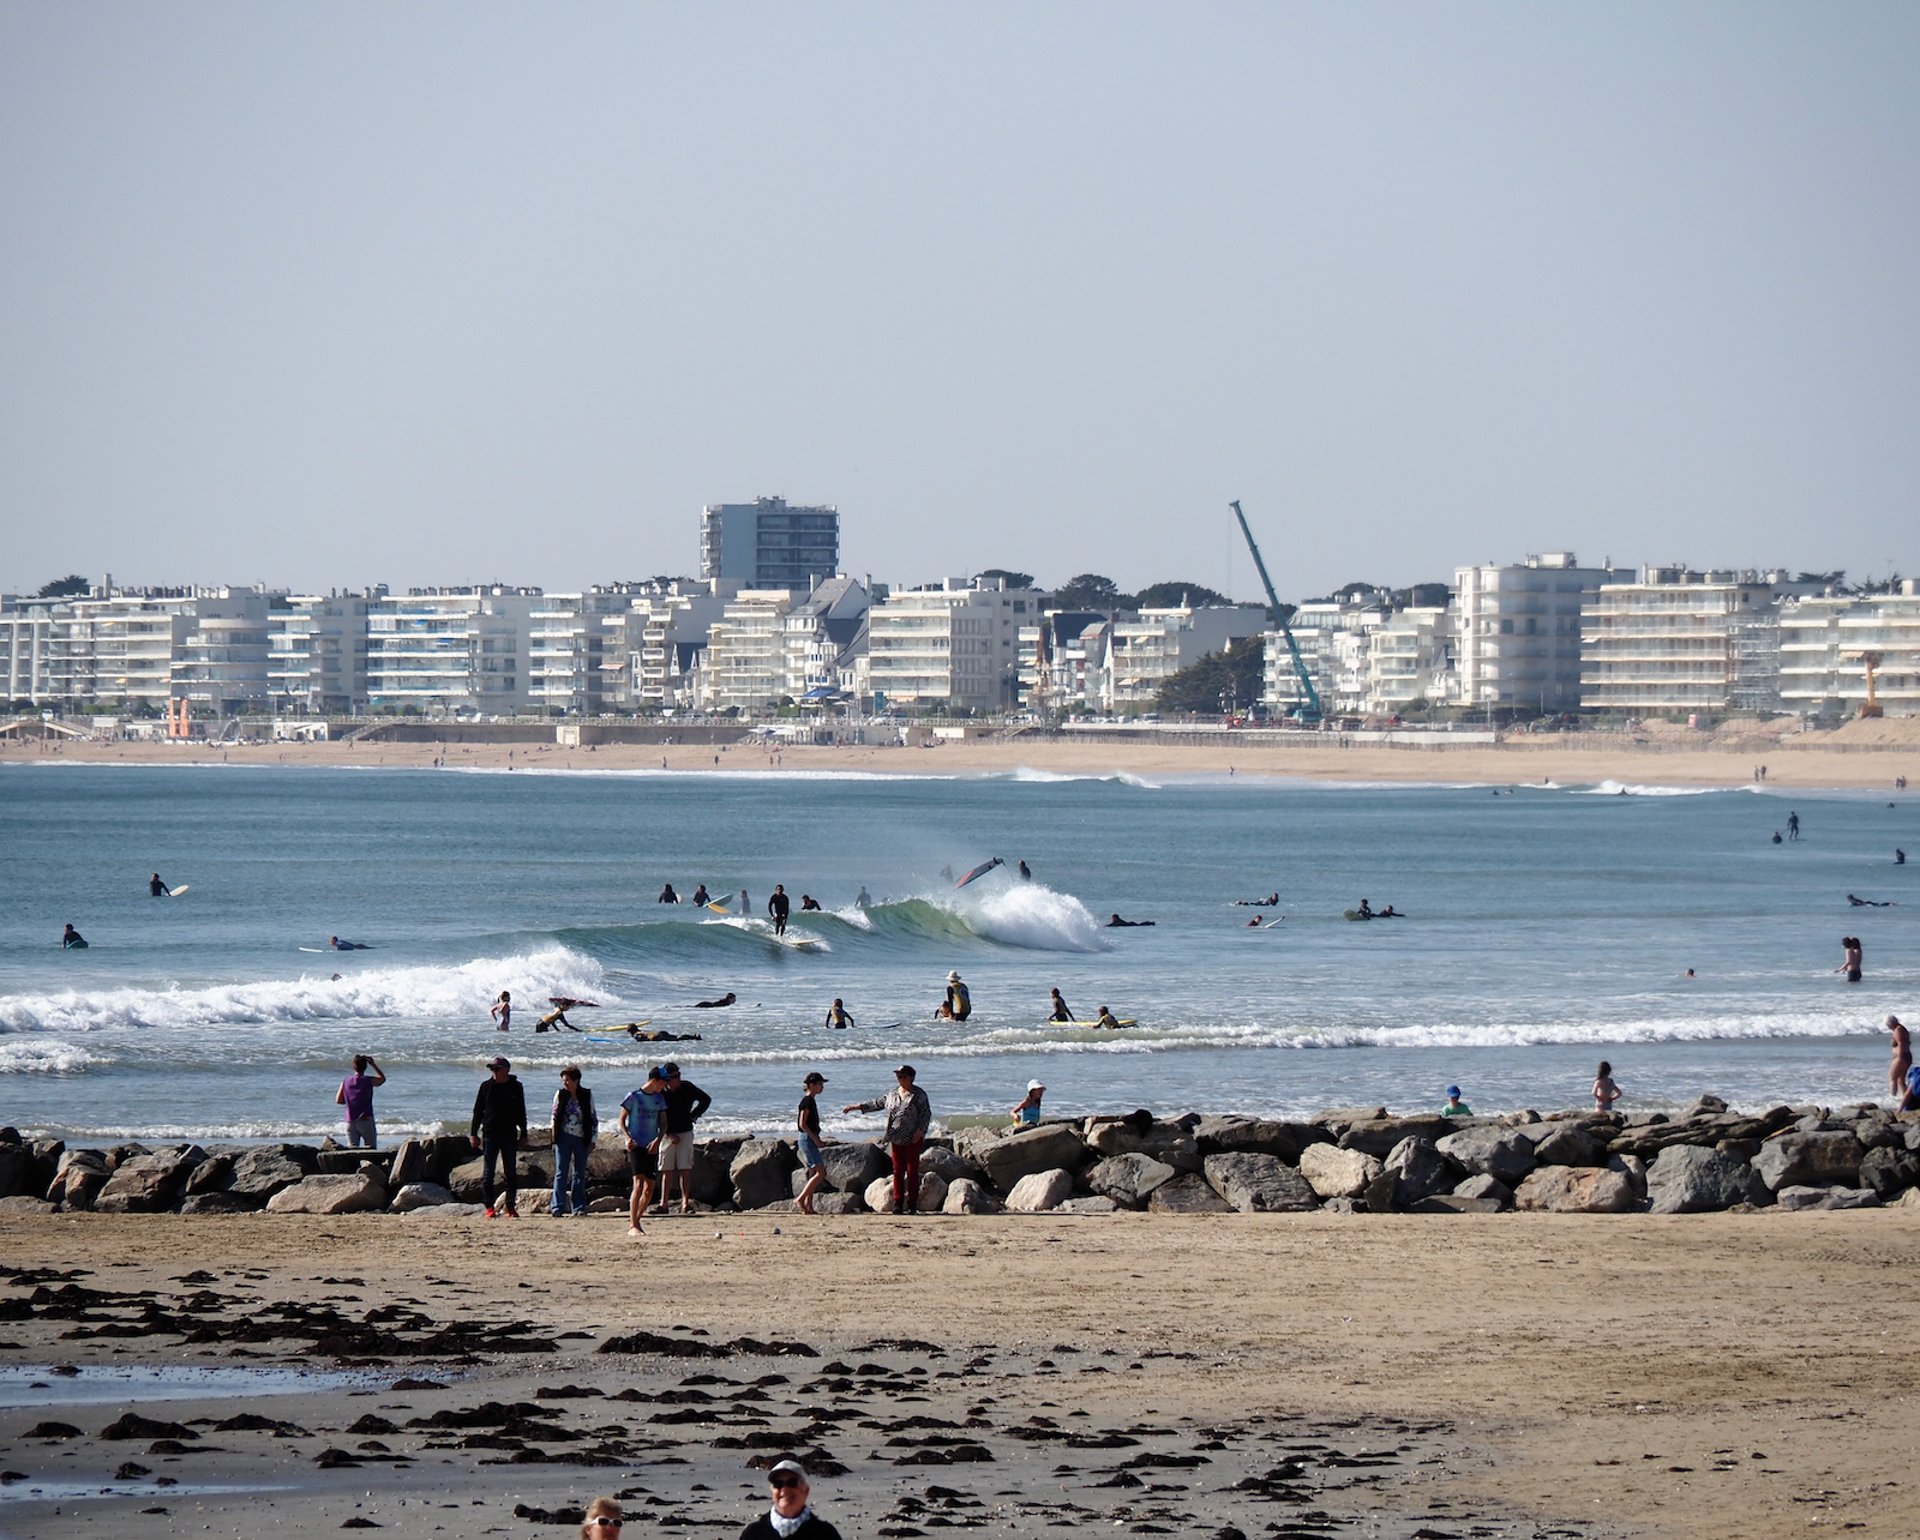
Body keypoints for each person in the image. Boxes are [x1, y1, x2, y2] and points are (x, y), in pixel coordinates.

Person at [844, 1064, 932, 1215]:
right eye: (897, 1075)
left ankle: (911, 1204)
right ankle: (898, 1203)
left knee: (912, 1171)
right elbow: (877, 1103)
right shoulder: (892, 1094)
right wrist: (856, 1107)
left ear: (910, 1077)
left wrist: (920, 1132)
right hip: (896, 1137)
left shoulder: (918, 1094)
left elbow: (926, 1115)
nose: (899, 1078)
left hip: (912, 1138)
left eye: (902, 1075)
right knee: (897, 1171)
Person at [470, 1055, 529, 1219]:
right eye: (492, 1069)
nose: (494, 1072)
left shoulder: (516, 1087)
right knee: (488, 1172)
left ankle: (510, 1206)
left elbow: (521, 1111)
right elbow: (477, 1111)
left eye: (497, 1069)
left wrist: (524, 1133)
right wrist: (473, 1134)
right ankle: (489, 1206)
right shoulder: (485, 1087)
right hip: (489, 1134)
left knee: (510, 1172)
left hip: (509, 1134)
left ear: (506, 1070)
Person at [657, 1062, 712, 1215]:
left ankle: (685, 1203)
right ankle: (663, 1204)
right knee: (666, 1170)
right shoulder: (661, 1093)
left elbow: (706, 1099)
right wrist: (667, 1134)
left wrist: (694, 1115)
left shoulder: (687, 1087)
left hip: (685, 1131)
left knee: (685, 1169)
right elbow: (655, 1115)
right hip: (667, 1133)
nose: (678, 1079)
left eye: (679, 1075)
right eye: (675, 1077)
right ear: (667, 1079)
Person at [738, 1459, 842, 1540]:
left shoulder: (825, 1534)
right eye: (778, 1484)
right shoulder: (754, 1534)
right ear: (772, 1491)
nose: (785, 1489)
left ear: (806, 1490)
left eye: (792, 1483)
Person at [619, 1065, 668, 1235]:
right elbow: (621, 1120)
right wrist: (627, 1137)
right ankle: (633, 1225)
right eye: (663, 1082)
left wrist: (658, 1139)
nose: (665, 1086)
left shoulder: (659, 1099)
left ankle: (637, 1220)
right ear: (655, 1081)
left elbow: (663, 1123)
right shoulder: (634, 1096)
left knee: (649, 1187)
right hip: (636, 1145)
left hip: (651, 1146)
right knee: (638, 1184)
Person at [549, 1065, 597, 1218]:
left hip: (582, 1138)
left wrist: (593, 1139)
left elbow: (593, 1117)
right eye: (564, 1081)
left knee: (579, 1173)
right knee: (561, 1172)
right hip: (563, 1138)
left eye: (568, 1080)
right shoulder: (560, 1095)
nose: (565, 1083)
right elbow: (554, 1116)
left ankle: (578, 1207)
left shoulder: (586, 1095)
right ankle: (557, 1207)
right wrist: (554, 1137)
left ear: (576, 1081)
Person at [795, 1071, 829, 1214]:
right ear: (811, 1085)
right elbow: (802, 1123)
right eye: (820, 1084)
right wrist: (816, 1140)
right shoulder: (807, 1100)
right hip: (807, 1138)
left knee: (813, 1172)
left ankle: (809, 1205)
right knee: (821, 1173)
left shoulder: (811, 1100)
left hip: (808, 1138)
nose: (822, 1087)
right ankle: (800, 1199)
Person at [335, 1053, 386, 1148]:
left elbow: (339, 1100)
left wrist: (352, 1099)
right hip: (365, 1119)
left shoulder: (345, 1081)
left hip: (350, 1120)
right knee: (371, 1149)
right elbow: (382, 1079)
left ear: (353, 1066)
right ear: (365, 1067)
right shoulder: (368, 1080)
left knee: (353, 1151)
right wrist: (373, 1064)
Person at [1888, 1015, 1911, 1102]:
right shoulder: (1900, 1029)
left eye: (1887, 1024)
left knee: (1892, 1078)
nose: (1887, 1027)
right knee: (1900, 1080)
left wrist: (1899, 1057)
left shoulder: (1898, 1030)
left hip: (1901, 1057)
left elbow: (1901, 1044)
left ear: (1891, 1023)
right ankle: (1906, 1100)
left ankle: (1892, 1099)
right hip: (1905, 1056)